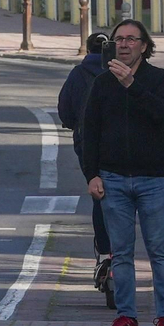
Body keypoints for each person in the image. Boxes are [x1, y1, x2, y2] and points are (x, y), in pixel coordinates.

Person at [78, 17, 164, 326]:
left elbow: (159, 113)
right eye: (119, 39)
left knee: (159, 250)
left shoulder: (159, 79)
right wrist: (91, 174)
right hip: (113, 179)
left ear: (144, 46)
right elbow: (89, 130)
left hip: (152, 178)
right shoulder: (102, 83)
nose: (124, 44)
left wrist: (131, 86)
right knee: (121, 253)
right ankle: (126, 317)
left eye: (131, 39)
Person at [57, 31, 114, 295]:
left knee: (98, 195)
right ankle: (121, 255)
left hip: (86, 143)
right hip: (116, 144)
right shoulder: (119, 71)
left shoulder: (77, 74)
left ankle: (104, 254)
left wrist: (75, 125)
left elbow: (65, 111)